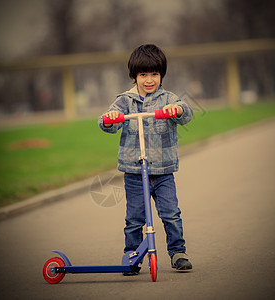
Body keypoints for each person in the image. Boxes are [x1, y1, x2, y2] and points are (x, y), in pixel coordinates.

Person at [98, 44, 193, 273]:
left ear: (161, 75)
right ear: (134, 76)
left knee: (171, 214)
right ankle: (132, 256)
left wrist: (177, 110)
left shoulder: (168, 99)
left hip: (162, 171)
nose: (149, 80)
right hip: (134, 171)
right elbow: (105, 123)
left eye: (154, 74)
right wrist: (111, 118)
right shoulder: (125, 101)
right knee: (134, 218)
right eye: (143, 74)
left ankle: (177, 252)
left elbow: (185, 112)